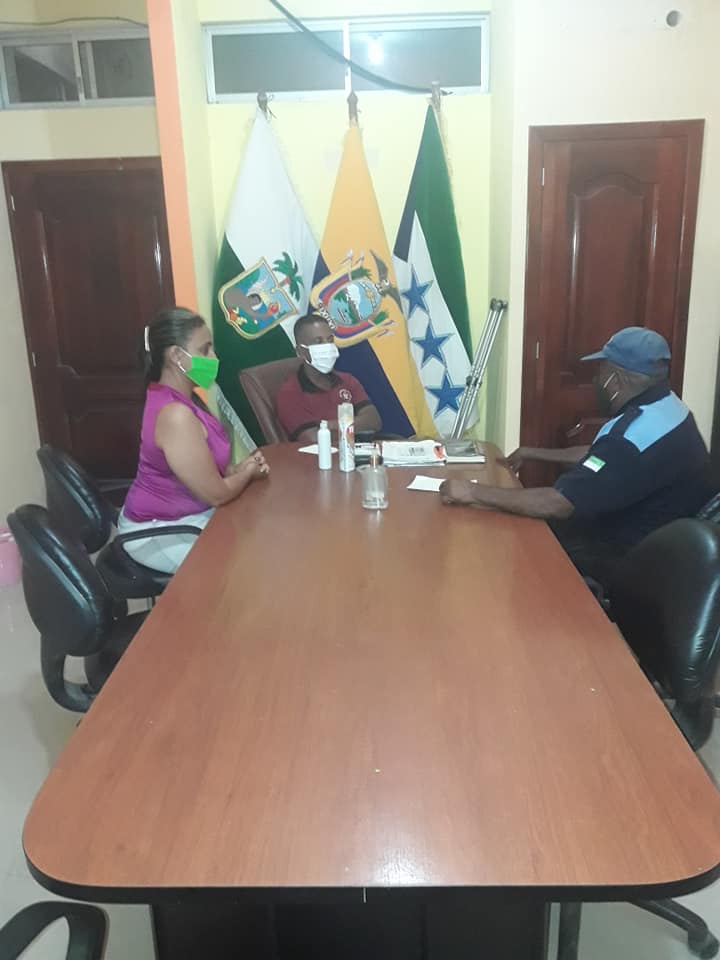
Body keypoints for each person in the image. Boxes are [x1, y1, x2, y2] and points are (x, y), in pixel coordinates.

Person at [440, 327, 711, 585]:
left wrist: (472, 492)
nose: (597, 380)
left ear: (616, 378)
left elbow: (559, 503)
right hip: (668, 550)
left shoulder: (628, 438)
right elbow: (601, 459)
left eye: (601, 369)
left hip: (628, 560)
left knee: (515, 545)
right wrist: (533, 453)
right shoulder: (668, 408)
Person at [119, 307, 269, 574]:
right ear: (177, 356)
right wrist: (246, 474)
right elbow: (216, 494)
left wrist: (237, 469)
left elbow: (206, 470)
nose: (214, 357)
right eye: (205, 349)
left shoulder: (187, 400)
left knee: (260, 537)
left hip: (189, 515)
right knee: (242, 571)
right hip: (158, 531)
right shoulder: (176, 415)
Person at [276, 313, 382, 442]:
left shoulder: (347, 380)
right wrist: (355, 425)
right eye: (318, 341)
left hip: (361, 450)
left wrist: (329, 425)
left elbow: (373, 421)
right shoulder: (290, 394)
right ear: (301, 351)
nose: (327, 346)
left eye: (330, 340)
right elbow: (313, 438)